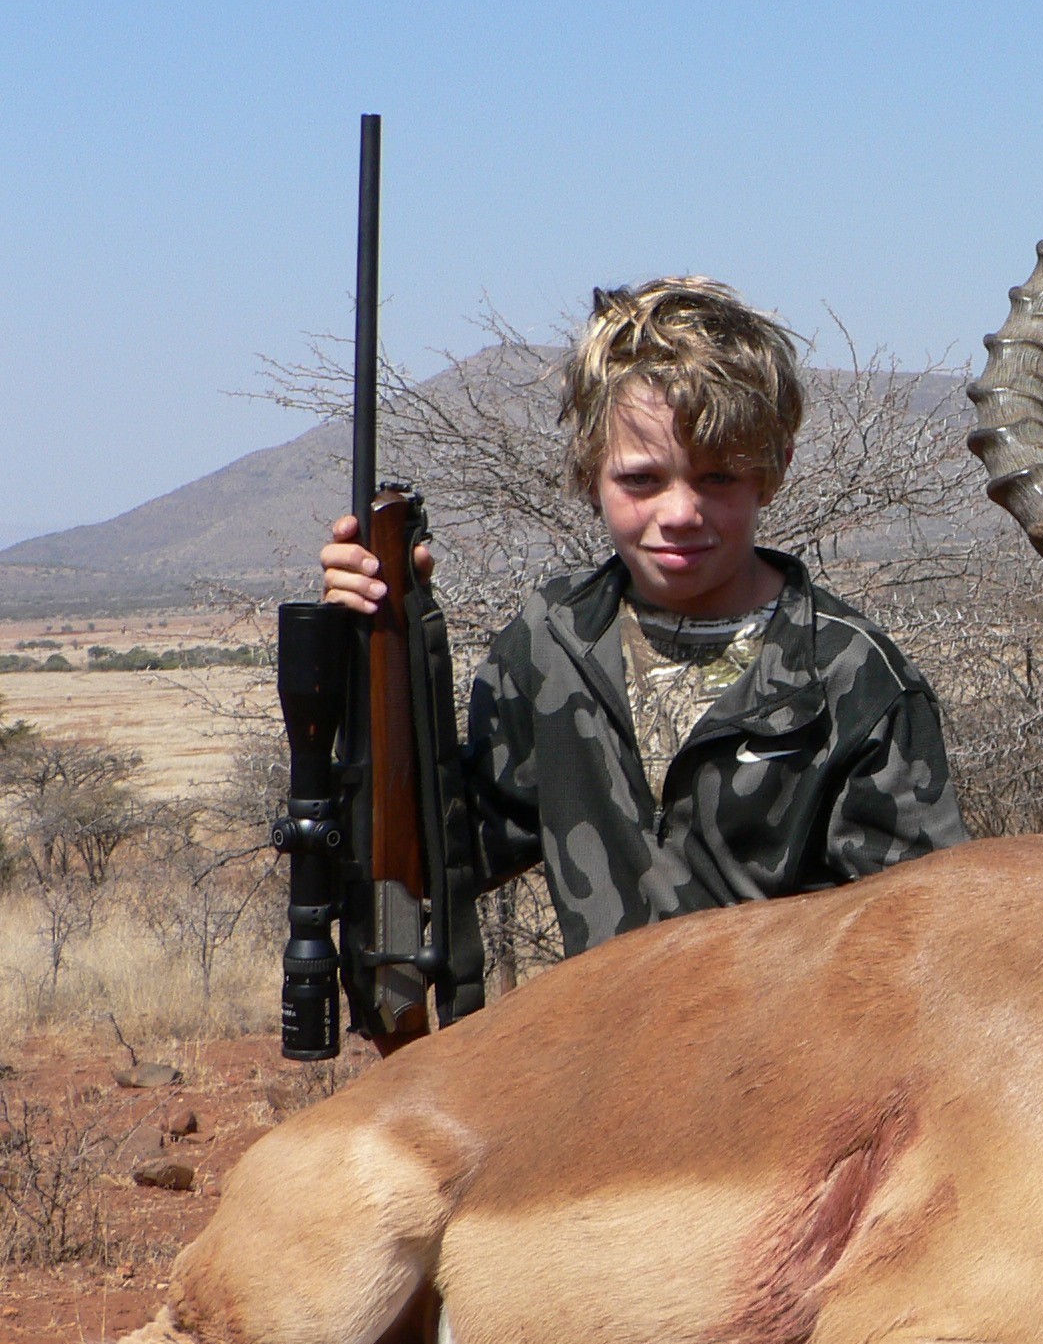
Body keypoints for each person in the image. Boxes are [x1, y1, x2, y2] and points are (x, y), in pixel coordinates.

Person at [322, 277, 967, 962]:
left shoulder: (855, 675)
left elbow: (922, 937)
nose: (680, 513)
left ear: (773, 471)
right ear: (589, 469)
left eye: (718, 477)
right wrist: (377, 644)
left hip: (787, 1062)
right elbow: (448, 852)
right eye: (642, 480)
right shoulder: (551, 637)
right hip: (600, 1055)